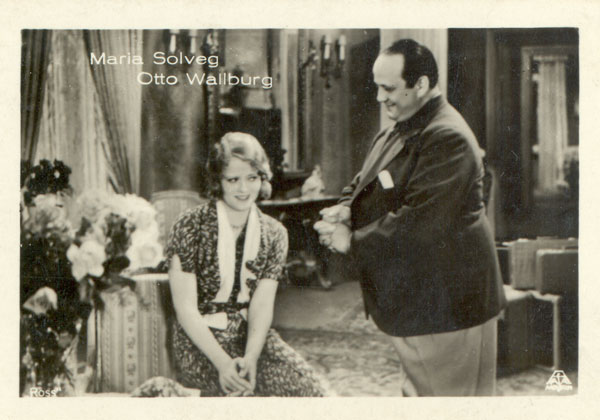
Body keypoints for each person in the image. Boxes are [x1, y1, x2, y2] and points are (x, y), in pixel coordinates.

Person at [315, 39, 506, 396]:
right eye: (377, 87)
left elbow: (420, 223)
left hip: (449, 304)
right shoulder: (403, 123)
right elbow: (365, 178)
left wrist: (350, 240)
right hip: (426, 300)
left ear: (421, 84)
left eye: (389, 89)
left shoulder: (446, 136)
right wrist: (347, 208)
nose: (379, 97)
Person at [166, 132, 330, 397]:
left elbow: (261, 305)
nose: (244, 189)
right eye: (233, 180)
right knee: (241, 398)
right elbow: (185, 309)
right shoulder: (189, 225)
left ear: (262, 177)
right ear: (218, 181)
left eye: (252, 178)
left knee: (313, 393)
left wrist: (252, 357)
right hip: (200, 343)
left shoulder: (275, 233)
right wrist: (223, 364)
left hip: (251, 340)